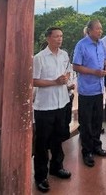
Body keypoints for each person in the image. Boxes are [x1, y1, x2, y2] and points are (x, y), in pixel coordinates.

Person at [33, 27, 72, 193]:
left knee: (58, 138)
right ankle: (41, 177)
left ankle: (57, 167)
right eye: (56, 36)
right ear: (48, 38)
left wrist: (65, 79)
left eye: (61, 36)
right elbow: (34, 81)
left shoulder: (64, 55)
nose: (59, 39)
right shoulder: (39, 58)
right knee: (42, 143)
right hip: (44, 107)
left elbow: (68, 72)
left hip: (61, 103)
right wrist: (54, 82)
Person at [73, 20, 106, 168]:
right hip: (86, 91)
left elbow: (105, 60)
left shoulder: (101, 44)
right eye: (97, 29)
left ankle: (96, 146)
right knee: (86, 122)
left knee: (97, 121)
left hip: (99, 89)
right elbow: (76, 66)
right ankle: (86, 152)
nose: (100, 31)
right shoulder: (81, 45)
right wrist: (94, 72)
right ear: (89, 30)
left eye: (101, 29)